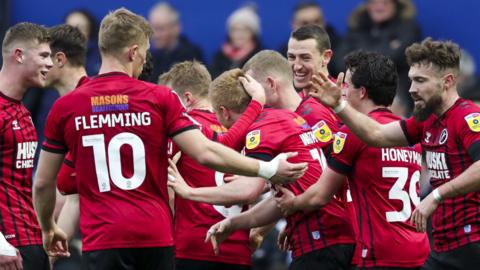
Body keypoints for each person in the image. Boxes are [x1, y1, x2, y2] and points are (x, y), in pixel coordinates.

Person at [32, 8, 306, 270]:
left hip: (103, 238)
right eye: (145, 53)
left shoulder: (67, 107)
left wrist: (48, 228)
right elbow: (206, 152)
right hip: (156, 238)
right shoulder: (160, 98)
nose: (143, 61)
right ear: (133, 51)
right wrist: (268, 169)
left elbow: (45, 183)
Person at [309, 38, 480, 270]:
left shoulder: (467, 117)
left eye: (420, 81)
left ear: (447, 81)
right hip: (442, 246)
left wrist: (437, 195)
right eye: (410, 80)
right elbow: (377, 135)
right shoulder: (427, 121)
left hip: (471, 241)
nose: (411, 90)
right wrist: (339, 106)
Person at [276, 50, 430, 269]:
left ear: (363, 92)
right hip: (418, 251)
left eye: (347, 85)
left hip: (381, 254)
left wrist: (293, 205)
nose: (342, 90)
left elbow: (319, 196)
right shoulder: (408, 136)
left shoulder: (352, 134)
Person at [202, 68, 356, 270]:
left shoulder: (261, 129)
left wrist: (191, 193)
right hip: (338, 235)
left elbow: (249, 190)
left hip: (320, 240)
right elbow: (281, 200)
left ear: (223, 111)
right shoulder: (286, 118)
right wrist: (234, 223)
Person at [160, 60, 266, 270]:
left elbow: (168, 193)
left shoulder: (183, 132)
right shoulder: (250, 131)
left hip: (194, 248)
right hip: (238, 249)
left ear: (187, 98)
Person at [0, 22, 53, 270]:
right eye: (43, 55)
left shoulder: (23, 112)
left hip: (32, 241)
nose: (50, 64)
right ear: (19, 55)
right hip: (8, 249)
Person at [333, 0, 421, 117]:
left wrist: (359, 58)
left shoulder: (408, 28)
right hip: (358, 86)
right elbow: (338, 62)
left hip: (396, 90)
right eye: (373, 2)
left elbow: (395, 58)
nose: (379, 6)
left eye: (385, 2)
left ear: (395, 4)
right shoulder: (357, 28)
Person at [278, 1, 339, 74]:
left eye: (316, 21)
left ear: (324, 21)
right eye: (305, 23)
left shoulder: (341, 49)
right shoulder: (283, 56)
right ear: (293, 25)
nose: (312, 28)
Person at [148, 2, 203, 83]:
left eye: (160, 29)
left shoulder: (193, 57)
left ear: (176, 28)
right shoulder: (146, 59)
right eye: (151, 29)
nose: (155, 35)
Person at [210, 5, 262, 78]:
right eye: (235, 30)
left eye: (245, 30)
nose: (239, 34)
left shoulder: (261, 57)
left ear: (253, 33)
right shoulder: (219, 57)